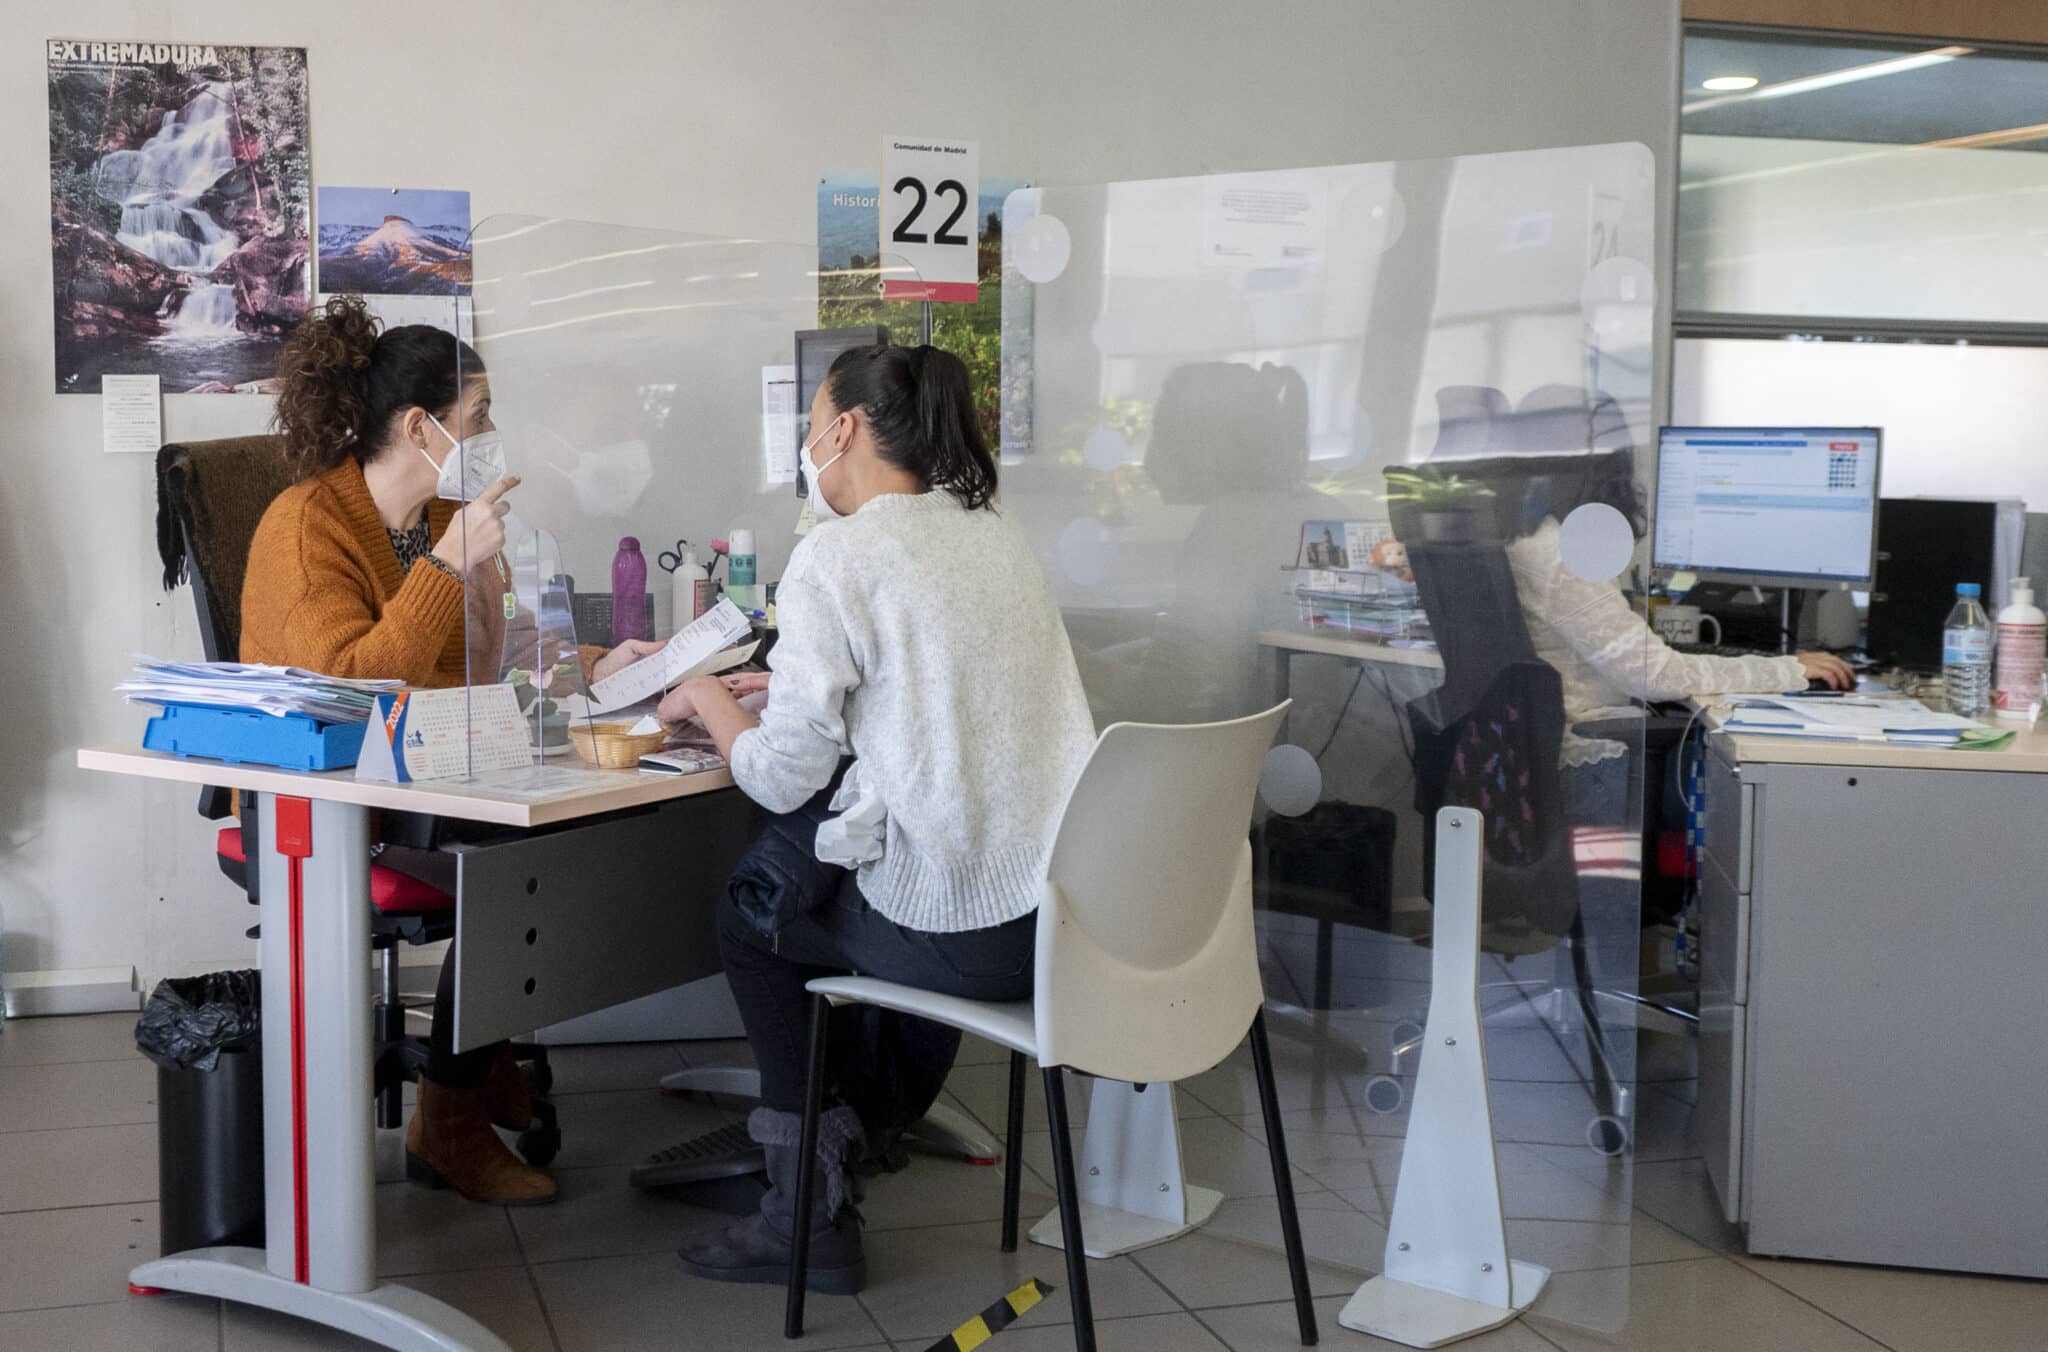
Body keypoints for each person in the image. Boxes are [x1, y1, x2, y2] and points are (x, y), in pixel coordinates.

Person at [661, 344, 1096, 1295]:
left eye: (813, 419)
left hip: (971, 935)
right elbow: (933, 691)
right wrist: (777, 686)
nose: (807, 440)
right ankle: (859, 1137)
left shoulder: (838, 554)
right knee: (830, 873)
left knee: (758, 906)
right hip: (1064, 921)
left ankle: (803, 1215)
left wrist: (704, 692)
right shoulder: (991, 530)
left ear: (844, 429)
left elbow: (778, 777)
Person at [240, 295, 662, 1206]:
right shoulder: (307, 527)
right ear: (421, 426)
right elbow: (354, 686)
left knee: (571, 825)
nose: (496, 432)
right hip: (333, 794)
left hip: (436, 768)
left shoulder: (443, 519)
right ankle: (451, 1117)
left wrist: (605, 660)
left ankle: (484, 1047)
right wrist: (444, 570)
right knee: (519, 855)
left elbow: (504, 649)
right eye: (481, 415)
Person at [1497, 451, 1852, 819]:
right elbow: (1657, 674)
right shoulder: (1559, 553)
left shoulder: (1528, 535)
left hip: (1548, 751)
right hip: (1589, 755)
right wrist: (1786, 671)